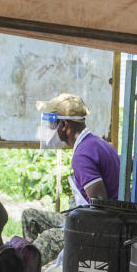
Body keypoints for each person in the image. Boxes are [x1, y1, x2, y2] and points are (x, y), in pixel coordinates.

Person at [22, 93, 120, 261]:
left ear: (65, 125)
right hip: (87, 216)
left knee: (47, 239)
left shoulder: (82, 155)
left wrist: (69, 226)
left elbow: (100, 206)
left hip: (97, 226)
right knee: (29, 216)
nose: (50, 130)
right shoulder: (96, 143)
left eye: (53, 124)